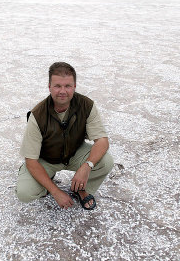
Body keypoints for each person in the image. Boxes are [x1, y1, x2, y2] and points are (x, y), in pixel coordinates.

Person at [16, 62, 113, 210]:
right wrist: (56, 192)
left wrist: (87, 166)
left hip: (74, 153)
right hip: (46, 159)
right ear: (49, 87)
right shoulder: (37, 115)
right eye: (57, 86)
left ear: (74, 86)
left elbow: (102, 141)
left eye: (67, 86)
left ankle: (80, 189)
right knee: (24, 193)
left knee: (105, 161)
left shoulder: (86, 105)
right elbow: (31, 160)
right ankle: (47, 183)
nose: (62, 91)